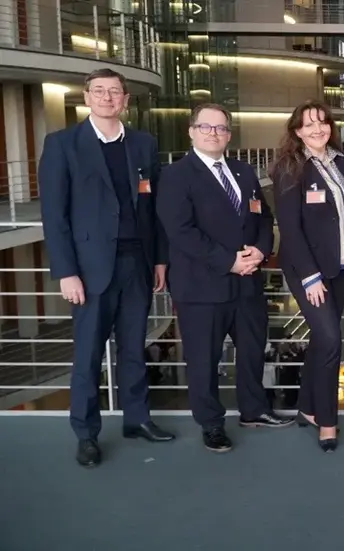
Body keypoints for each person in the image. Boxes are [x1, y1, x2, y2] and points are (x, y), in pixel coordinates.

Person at [38, 68, 175, 468]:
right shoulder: (63, 144)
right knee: (88, 355)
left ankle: (137, 419)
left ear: (125, 100)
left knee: (134, 348)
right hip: (89, 268)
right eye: (99, 91)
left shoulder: (143, 144)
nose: (107, 97)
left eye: (115, 92)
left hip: (137, 263)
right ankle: (86, 434)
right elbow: (54, 215)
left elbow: (153, 210)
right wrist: (66, 271)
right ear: (86, 97)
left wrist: (161, 258)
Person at [157, 103, 293, 453]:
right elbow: (181, 231)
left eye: (221, 128)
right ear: (191, 131)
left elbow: (263, 216)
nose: (214, 133)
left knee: (251, 351)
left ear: (229, 134)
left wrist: (262, 251)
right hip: (202, 287)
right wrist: (229, 261)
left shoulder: (244, 171)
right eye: (206, 127)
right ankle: (212, 424)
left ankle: (254, 410)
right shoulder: (175, 175)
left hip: (247, 282)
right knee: (204, 360)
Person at [270, 100, 344, 453]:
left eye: (323, 122)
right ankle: (327, 420)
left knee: (323, 342)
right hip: (308, 271)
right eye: (309, 125)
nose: (317, 129)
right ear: (297, 131)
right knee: (331, 341)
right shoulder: (289, 168)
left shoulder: (339, 161)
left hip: (339, 267)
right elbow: (289, 229)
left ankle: (306, 406)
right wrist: (309, 276)